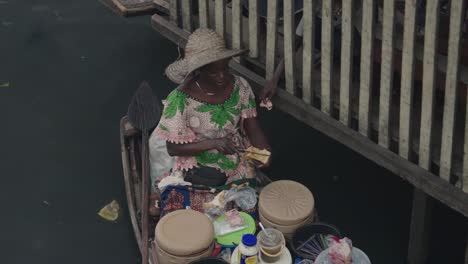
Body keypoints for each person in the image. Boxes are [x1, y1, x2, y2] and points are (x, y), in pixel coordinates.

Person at [149, 28, 271, 189]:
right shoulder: (179, 99)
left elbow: (252, 127)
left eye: (225, 69)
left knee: (245, 192)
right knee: (206, 195)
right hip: (196, 161)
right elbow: (173, 148)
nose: (222, 76)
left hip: (234, 151)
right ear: (199, 71)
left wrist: (264, 151)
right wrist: (213, 143)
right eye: (214, 73)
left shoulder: (240, 86)